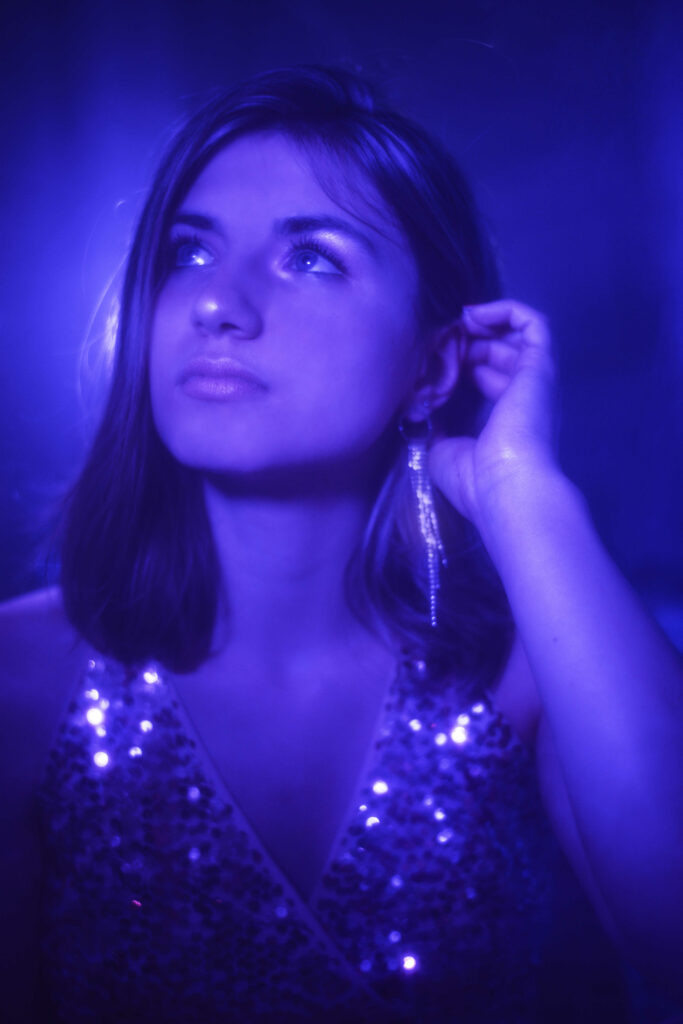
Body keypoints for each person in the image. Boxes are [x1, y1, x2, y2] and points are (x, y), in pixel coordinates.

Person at [1, 64, 681, 1024]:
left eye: (312, 258)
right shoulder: (20, 684)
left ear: (430, 366)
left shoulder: (530, 678)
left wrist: (521, 491)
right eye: (190, 253)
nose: (216, 304)